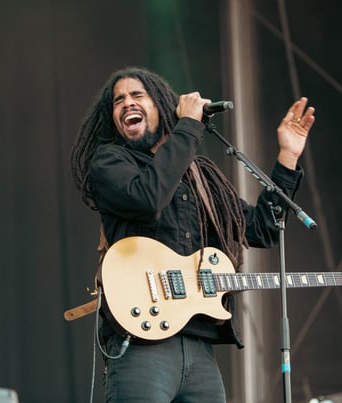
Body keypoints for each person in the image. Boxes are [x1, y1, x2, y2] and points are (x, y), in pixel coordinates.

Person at [70, 66, 314, 402]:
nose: (127, 103)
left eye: (137, 95)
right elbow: (148, 198)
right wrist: (188, 126)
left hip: (200, 349)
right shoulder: (111, 161)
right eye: (118, 100)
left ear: (162, 106)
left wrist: (287, 157)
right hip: (141, 343)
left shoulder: (200, 177)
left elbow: (261, 230)